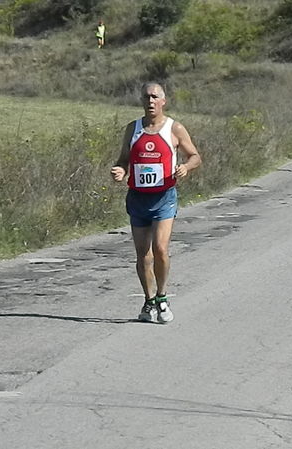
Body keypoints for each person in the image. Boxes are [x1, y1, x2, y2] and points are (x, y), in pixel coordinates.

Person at [111, 82, 201, 323]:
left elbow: (195, 156)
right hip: (138, 198)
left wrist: (185, 167)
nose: (150, 101)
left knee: (160, 249)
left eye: (154, 97)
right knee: (143, 254)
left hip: (164, 198)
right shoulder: (133, 129)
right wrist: (120, 170)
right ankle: (149, 300)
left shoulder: (174, 128)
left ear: (163, 101)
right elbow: (123, 160)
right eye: (146, 97)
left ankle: (162, 298)